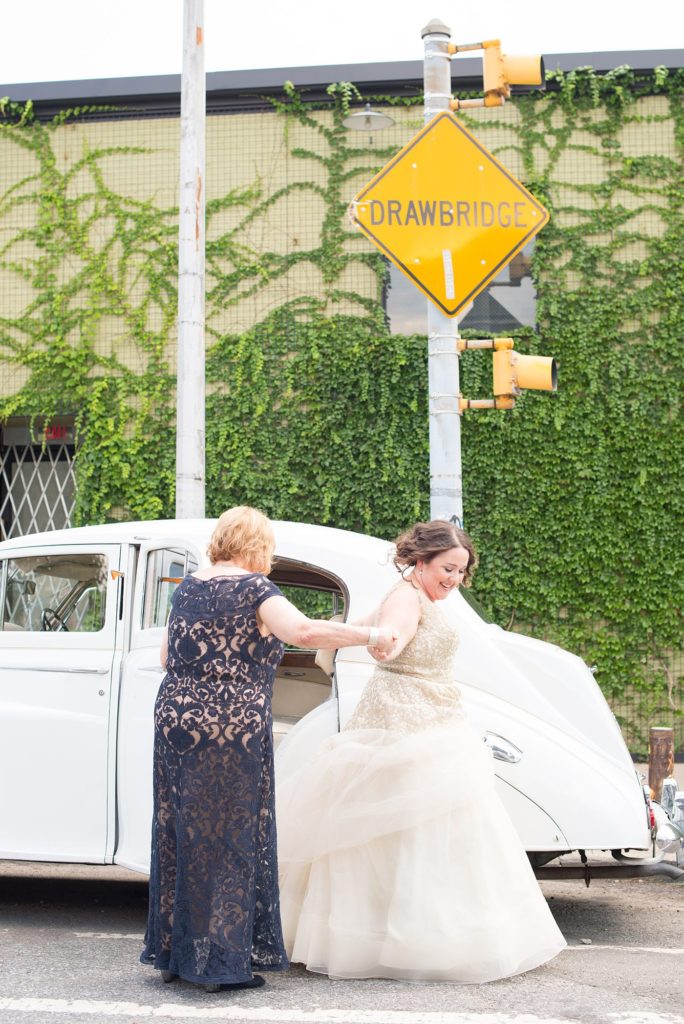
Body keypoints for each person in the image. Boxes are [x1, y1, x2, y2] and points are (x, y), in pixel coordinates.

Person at [276, 519, 567, 983]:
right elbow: (388, 646)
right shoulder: (407, 598)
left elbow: (366, 629)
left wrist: (354, 632)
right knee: (406, 824)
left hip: (429, 716)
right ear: (421, 561)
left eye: (460, 572)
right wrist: (385, 640)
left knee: (415, 827)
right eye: (447, 569)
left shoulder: (411, 594)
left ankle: (403, 932)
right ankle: (406, 938)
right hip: (402, 721)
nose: (453, 579)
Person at [140, 506, 397, 993]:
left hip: (175, 719)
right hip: (229, 727)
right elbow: (301, 632)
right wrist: (370, 635)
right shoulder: (255, 589)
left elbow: (165, 657)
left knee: (182, 833)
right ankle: (217, 965)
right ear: (257, 545)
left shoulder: (189, 588)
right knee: (229, 838)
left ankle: (175, 955)